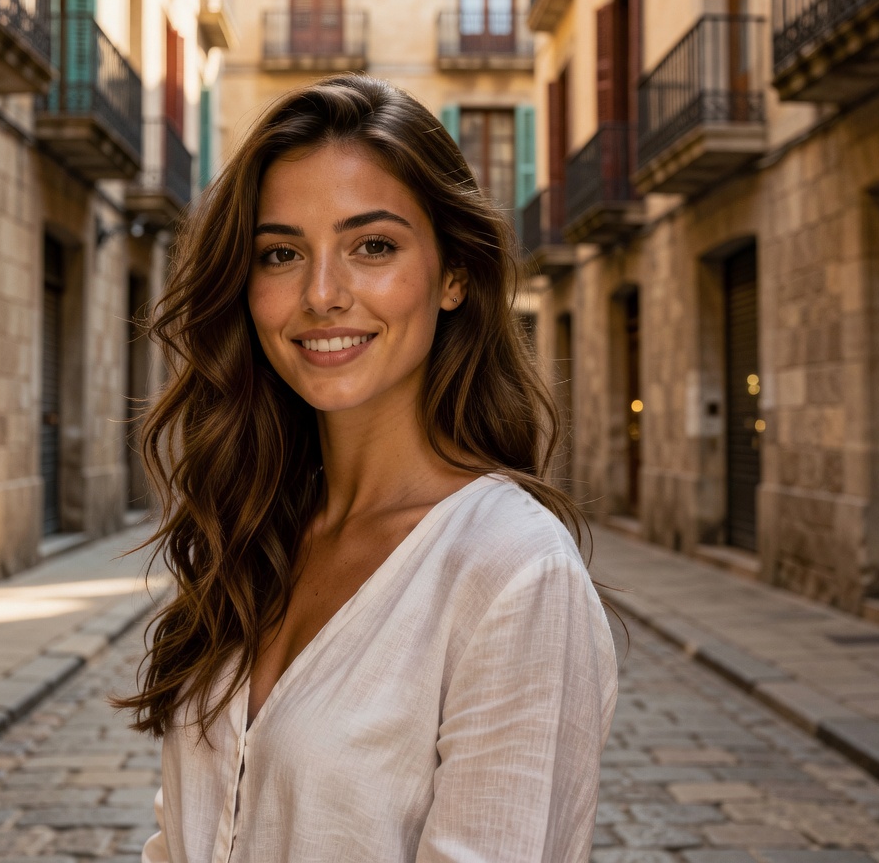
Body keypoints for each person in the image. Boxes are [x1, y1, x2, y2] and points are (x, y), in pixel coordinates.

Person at [117, 74, 618, 862]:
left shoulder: (515, 575)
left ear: (454, 275)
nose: (321, 293)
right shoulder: (257, 529)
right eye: (281, 254)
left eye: (372, 246)